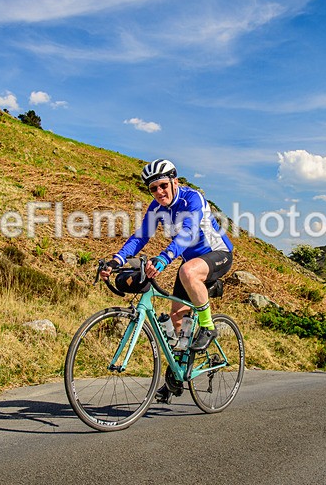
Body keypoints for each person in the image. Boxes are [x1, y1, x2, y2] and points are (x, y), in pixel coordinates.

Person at [100, 158, 233, 401]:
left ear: (175, 182)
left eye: (163, 185)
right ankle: (179, 373)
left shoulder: (192, 199)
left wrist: (164, 258)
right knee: (176, 318)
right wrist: (117, 260)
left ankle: (208, 327)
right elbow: (140, 237)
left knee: (188, 271)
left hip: (218, 254)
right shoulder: (156, 208)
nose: (159, 192)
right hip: (188, 262)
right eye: (153, 188)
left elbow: (189, 232)